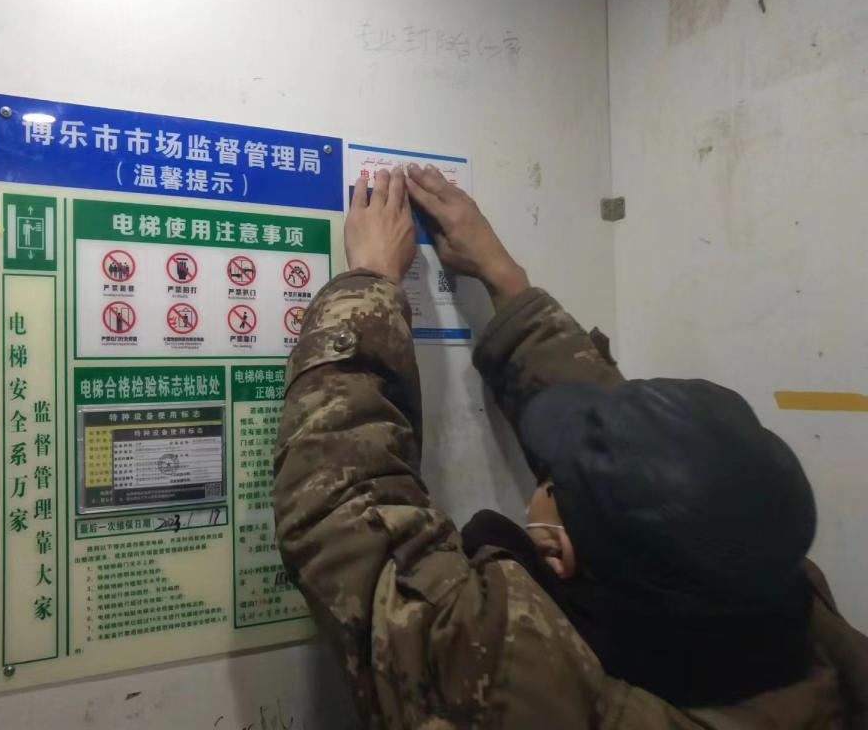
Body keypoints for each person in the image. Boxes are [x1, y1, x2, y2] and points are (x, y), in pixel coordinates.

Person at [272, 165, 868, 728]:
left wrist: (370, 283)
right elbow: (640, 468)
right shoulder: (800, 623)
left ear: (559, 551)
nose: (550, 475)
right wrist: (507, 283)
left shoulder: (526, 687)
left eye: (554, 483)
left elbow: (344, 512)